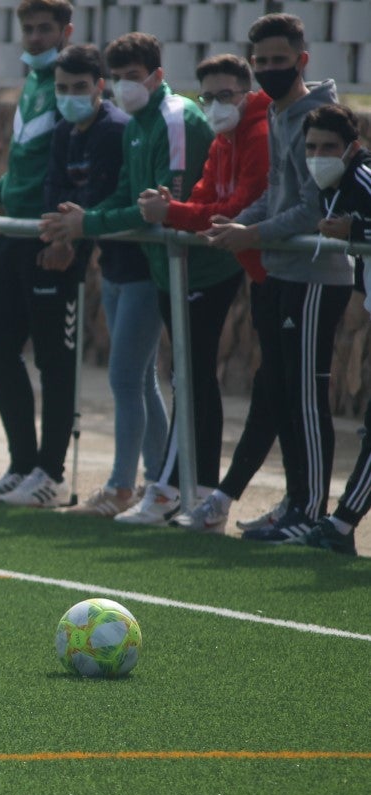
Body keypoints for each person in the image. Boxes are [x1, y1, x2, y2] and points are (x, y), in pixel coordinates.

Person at [40, 32, 242, 526]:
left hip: (195, 267)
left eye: (136, 77)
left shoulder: (174, 119)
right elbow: (129, 196)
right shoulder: (136, 122)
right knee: (167, 379)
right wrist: (85, 217)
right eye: (122, 79)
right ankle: (170, 483)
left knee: (161, 378)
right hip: (159, 268)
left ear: (156, 75)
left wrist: (87, 223)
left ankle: (145, 487)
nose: (127, 88)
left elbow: (159, 211)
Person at [203, 13, 354, 543]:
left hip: (316, 276)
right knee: (286, 393)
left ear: (302, 60)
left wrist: (255, 234)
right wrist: (242, 222)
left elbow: (312, 209)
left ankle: (311, 509)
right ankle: (294, 503)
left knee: (307, 398)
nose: (268, 70)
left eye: (278, 61)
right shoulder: (280, 115)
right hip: (282, 271)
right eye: (260, 62)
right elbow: (277, 194)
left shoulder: (319, 117)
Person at [0, 0, 82, 507]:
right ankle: (22, 464)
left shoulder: (72, 91)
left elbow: (76, 166)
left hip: (50, 236)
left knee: (54, 360)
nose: (36, 37)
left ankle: (51, 473)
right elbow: (22, 166)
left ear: (65, 31)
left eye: (46, 28)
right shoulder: (31, 84)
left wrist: (67, 235)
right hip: (14, 232)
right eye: (28, 28)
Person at [132, 54, 272, 534]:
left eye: (226, 95)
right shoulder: (223, 140)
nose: (216, 105)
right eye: (207, 96)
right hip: (258, 274)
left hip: (279, 275)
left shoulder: (258, 134)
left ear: (247, 91)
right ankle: (203, 490)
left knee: (198, 378)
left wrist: (170, 213)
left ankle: (178, 487)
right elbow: (204, 198)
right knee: (195, 376)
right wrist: (174, 207)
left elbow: (236, 207)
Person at [43, 44, 162, 518]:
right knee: (142, 379)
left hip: (140, 267)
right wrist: (61, 233)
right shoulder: (65, 131)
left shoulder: (116, 129)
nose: (70, 97)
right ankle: (161, 483)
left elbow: (103, 198)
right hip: (111, 265)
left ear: (100, 87)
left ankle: (121, 488)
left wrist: (76, 232)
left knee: (125, 378)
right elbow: (59, 190)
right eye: (62, 88)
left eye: (80, 87)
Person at [297, 104, 371, 556]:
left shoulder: (362, 179)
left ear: (352, 148)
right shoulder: (331, 184)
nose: (318, 155)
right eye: (311, 147)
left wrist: (358, 227)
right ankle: (340, 525)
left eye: (329, 147)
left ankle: (341, 525)